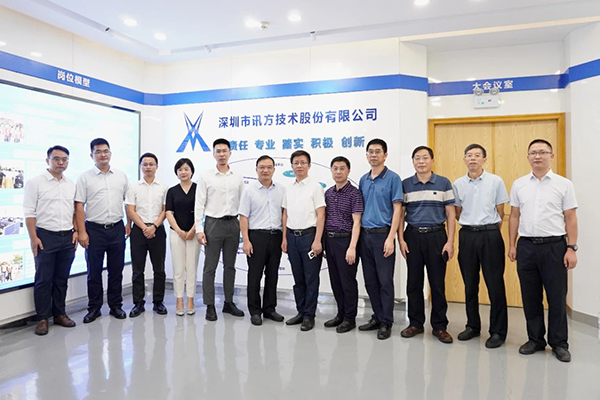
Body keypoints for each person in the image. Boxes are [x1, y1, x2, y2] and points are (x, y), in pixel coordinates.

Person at [508, 139, 578, 363]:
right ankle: (535, 339)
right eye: (533, 153)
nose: (537, 156)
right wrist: (512, 244)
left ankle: (559, 343)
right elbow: (514, 216)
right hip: (526, 246)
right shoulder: (519, 184)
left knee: (556, 296)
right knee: (530, 296)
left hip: (554, 247)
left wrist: (571, 248)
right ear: (528, 157)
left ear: (551, 156)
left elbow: (570, 218)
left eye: (542, 152)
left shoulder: (564, 184)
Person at [453, 144, 509, 348]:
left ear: (484, 159)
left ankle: (498, 332)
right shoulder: (458, 184)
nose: (473, 158)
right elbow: (457, 212)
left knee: (495, 284)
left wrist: (488, 229)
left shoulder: (496, 181)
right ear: (464, 160)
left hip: (490, 235)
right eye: (469, 155)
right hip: (467, 235)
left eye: (477, 155)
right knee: (470, 284)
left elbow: (500, 212)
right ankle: (472, 326)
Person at [399, 146, 455, 344]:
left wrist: (450, 241)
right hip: (412, 236)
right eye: (417, 158)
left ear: (432, 160)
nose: (421, 161)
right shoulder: (405, 184)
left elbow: (450, 214)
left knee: (437, 283)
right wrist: (401, 239)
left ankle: (439, 326)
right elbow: (400, 214)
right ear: (413, 162)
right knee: (413, 282)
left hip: (437, 236)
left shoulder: (443, 182)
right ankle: (415, 323)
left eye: (425, 158)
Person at [23, 145, 78, 335]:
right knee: (43, 279)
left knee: (61, 278)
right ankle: (42, 318)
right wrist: (33, 238)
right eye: (56, 159)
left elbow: (74, 211)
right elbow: (29, 213)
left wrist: (76, 231)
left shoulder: (71, 184)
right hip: (45, 236)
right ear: (48, 160)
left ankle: (60, 314)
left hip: (67, 236)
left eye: (64, 159)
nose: (61, 162)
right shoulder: (35, 182)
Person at [75, 138, 130, 323]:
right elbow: (79, 206)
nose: (103, 154)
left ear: (110, 153)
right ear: (92, 155)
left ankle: (115, 306)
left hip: (116, 228)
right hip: (94, 230)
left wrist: (128, 224)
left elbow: (129, 202)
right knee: (94, 271)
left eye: (105, 151)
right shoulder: (85, 178)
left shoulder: (121, 176)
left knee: (116, 270)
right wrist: (82, 232)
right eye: (98, 152)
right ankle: (94, 308)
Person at [357, 139, 403, 340]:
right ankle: (376, 316)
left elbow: (397, 209)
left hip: (383, 235)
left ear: (385, 155)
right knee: (370, 280)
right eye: (370, 152)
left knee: (385, 281)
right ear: (367, 155)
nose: (374, 155)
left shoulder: (393, 178)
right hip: (365, 236)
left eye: (378, 151)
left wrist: (391, 237)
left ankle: (386, 321)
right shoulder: (363, 179)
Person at [195, 138, 245, 321]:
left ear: (230, 153)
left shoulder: (237, 176)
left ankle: (228, 302)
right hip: (213, 224)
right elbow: (199, 204)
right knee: (210, 267)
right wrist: (199, 229)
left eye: (225, 151)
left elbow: (243, 203)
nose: (222, 154)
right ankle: (209, 305)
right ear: (214, 154)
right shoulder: (206, 176)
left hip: (233, 224)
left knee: (230, 266)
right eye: (218, 151)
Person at [238, 155, 285, 326]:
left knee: (272, 275)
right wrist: (246, 241)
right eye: (262, 167)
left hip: (276, 236)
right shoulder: (249, 191)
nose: (265, 170)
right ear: (256, 169)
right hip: (256, 237)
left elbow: (284, 215)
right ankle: (255, 311)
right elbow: (243, 217)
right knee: (255, 275)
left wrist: (284, 238)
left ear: (274, 169)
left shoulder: (281, 190)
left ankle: (270, 309)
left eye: (269, 167)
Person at [282, 150, 326, 332]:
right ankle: (300, 311)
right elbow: (285, 214)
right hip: (292, 238)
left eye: (303, 162)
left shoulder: (315, 187)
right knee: (298, 278)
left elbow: (321, 215)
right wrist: (284, 238)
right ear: (292, 166)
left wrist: (317, 240)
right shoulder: (288, 188)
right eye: (296, 163)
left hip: (309, 238)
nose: (299, 166)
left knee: (311, 278)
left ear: (309, 165)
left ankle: (309, 315)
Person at [323, 156, 364, 333]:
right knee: (335, 280)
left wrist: (352, 246)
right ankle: (340, 314)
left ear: (348, 171)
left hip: (346, 241)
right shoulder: (328, 193)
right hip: (330, 240)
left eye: (342, 168)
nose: (338, 172)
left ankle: (349, 318)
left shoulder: (355, 194)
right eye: (335, 168)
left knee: (347, 281)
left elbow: (357, 222)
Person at [125, 153, 168, 317]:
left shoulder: (163, 187)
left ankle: (158, 302)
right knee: (138, 269)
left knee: (159, 269)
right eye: (145, 164)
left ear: (157, 166)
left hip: (158, 230)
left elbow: (165, 210)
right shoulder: (134, 187)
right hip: (138, 231)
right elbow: (130, 210)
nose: (148, 167)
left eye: (151, 164)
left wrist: (154, 226)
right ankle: (138, 303)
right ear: (140, 167)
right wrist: (144, 227)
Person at [165, 158, 200, 316]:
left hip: (194, 232)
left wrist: (193, 230)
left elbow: (202, 211)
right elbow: (168, 212)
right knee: (178, 268)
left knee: (191, 267)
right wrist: (179, 231)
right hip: (176, 233)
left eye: (186, 169)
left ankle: (190, 299)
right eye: (180, 170)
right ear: (176, 172)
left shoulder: (199, 189)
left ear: (191, 171)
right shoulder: (172, 191)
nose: (183, 172)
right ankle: (179, 300)